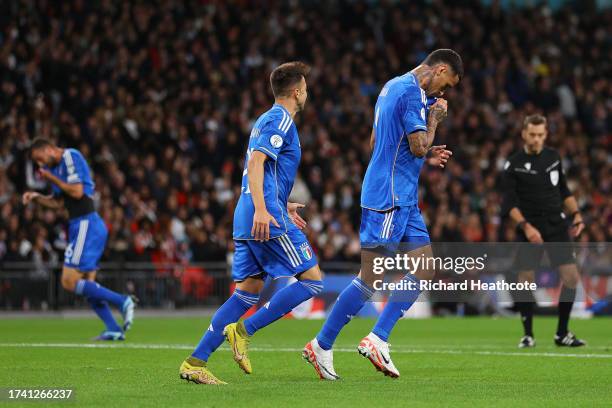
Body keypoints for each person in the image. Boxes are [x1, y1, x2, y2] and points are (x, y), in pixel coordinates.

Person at [304, 49, 462, 379]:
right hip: (388, 197)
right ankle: (321, 343)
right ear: (440, 69)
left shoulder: (391, 86)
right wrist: (435, 120)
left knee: (425, 266)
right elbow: (417, 145)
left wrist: (423, 154)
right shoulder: (413, 93)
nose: (443, 93)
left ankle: (378, 338)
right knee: (371, 277)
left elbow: (379, 140)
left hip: (401, 194)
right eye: (446, 84)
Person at [179, 62, 323, 385]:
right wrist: (265, 208)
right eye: (306, 89)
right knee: (312, 281)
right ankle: (244, 331)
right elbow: (257, 162)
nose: (307, 94)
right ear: (297, 91)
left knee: (246, 293)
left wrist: (281, 204)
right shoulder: (280, 119)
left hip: (251, 212)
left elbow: (260, 170)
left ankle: (195, 361)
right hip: (263, 215)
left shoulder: (265, 121)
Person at [23, 138, 135, 340]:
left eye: (41, 159)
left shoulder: (69, 156)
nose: (42, 165)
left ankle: (123, 301)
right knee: (85, 284)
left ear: (48, 149)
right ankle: (113, 328)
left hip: (86, 223)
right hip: (81, 226)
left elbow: (77, 192)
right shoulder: (57, 170)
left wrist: (50, 177)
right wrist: (36, 197)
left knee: (68, 280)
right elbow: (58, 203)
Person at [502, 114, 586, 348]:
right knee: (525, 279)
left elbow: (564, 190)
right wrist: (527, 228)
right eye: (532, 134)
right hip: (529, 225)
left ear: (546, 134)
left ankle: (562, 333)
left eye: (540, 135)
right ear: (524, 134)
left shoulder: (553, 157)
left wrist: (576, 215)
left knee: (571, 277)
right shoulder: (514, 164)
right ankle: (528, 334)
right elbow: (508, 205)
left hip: (556, 224)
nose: (536, 139)